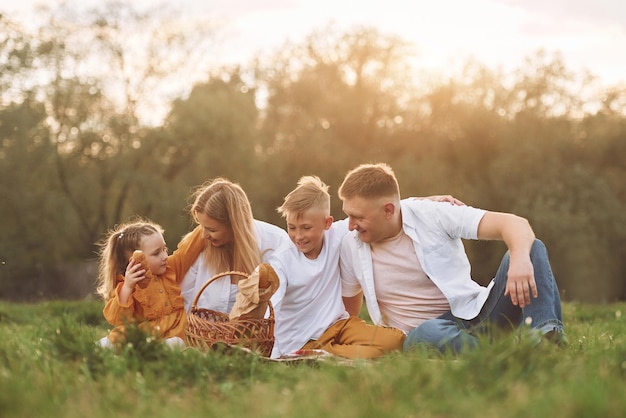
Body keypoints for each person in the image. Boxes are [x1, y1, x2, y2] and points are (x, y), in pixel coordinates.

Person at [338, 163, 566, 354]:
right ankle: (502, 355)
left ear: (388, 211)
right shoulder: (350, 242)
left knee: (531, 248)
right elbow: (350, 316)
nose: (350, 224)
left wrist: (519, 260)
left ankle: (545, 338)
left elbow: (514, 223)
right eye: (347, 215)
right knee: (427, 332)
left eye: (357, 217)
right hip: (424, 335)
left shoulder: (432, 214)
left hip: (478, 314)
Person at [269, 176, 406, 359]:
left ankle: (329, 355)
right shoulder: (282, 260)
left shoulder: (337, 234)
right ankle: (312, 355)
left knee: (396, 340)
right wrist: (272, 353)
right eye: (292, 227)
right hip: (304, 339)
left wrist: (426, 200)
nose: (298, 236)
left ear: (327, 223)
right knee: (369, 355)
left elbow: (381, 207)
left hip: (339, 326)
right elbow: (271, 308)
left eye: (306, 228)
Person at [180, 178, 291, 314]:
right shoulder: (197, 246)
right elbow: (183, 301)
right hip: (202, 334)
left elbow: (283, 304)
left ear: (234, 225)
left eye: (212, 230)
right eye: (202, 226)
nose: (203, 235)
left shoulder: (276, 242)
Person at [96, 219, 205, 348]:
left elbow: (187, 251)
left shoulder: (171, 268)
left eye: (164, 249)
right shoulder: (129, 284)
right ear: (133, 260)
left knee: (177, 343)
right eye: (156, 253)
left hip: (176, 329)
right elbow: (118, 318)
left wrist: (205, 224)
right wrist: (128, 287)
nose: (164, 256)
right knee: (119, 337)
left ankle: (159, 350)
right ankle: (105, 347)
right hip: (145, 332)